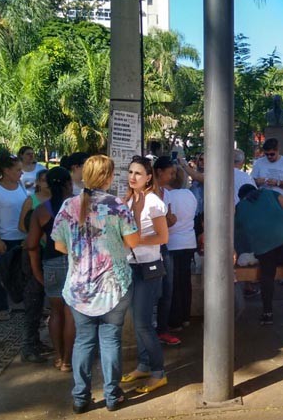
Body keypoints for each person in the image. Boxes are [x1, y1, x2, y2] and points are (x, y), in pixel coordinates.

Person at [52, 155, 141, 413]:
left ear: (84, 176)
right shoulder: (117, 206)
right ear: (109, 177)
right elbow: (134, 242)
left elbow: (58, 245)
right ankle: (113, 396)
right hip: (115, 284)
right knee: (111, 340)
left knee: (83, 341)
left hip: (79, 288)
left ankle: (80, 398)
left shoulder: (69, 205)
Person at [121, 155, 169, 394]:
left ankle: (159, 372)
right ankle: (144, 364)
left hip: (149, 267)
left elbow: (163, 237)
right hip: (131, 265)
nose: (132, 177)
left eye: (138, 173)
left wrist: (137, 241)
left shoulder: (153, 202)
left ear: (149, 177)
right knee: (137, 320)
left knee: (142, 323)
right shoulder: (129, 200)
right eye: (130, 172)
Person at [235, 184, 283, 325]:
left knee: (267, 275)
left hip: (263, 244)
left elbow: (237, 230)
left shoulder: (240, 206)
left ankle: (268, 313)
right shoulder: (268, 192)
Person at [27, 167, 75, 372]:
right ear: (68, 184)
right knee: (71, 313)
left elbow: (31, 245)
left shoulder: (41, 210)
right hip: (74, 263)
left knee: (55, 313)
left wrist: (37, 271)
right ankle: (69, 360)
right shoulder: (77, 207)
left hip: (52, 264)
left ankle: (58, 357)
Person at [0, 155, 27, 322]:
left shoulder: (21, 185)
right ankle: (2, 307)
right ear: (6, 171)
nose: (21, 172)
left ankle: (27, 304)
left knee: (25, 272)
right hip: (5, 238)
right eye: (18, 170)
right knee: (4, 274)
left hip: (23, 237)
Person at [153, 156, 180, 346]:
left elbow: (170, 220)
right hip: (145, 248)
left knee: (167, 288)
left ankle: (162, 328)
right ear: (159, 172)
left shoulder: (167, 194)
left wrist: (167, 221)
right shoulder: (144, 193)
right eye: (170, 173)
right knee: (149, 292)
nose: (172, 177)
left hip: (163, 245)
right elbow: (167, 219)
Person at [166, 165, 197, 330]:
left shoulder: (167, 196)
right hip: (189, 242)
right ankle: (185, 316)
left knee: (173, 284)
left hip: (172, 244)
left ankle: (175, 320)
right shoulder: (189, 194)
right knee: (185, 282)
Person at [18, 169, 49, 233]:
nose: (47, 183)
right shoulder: (30, 201)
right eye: (44, 180)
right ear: (37, 182)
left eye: (49, 180)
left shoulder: (59, 198)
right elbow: (21, 226)